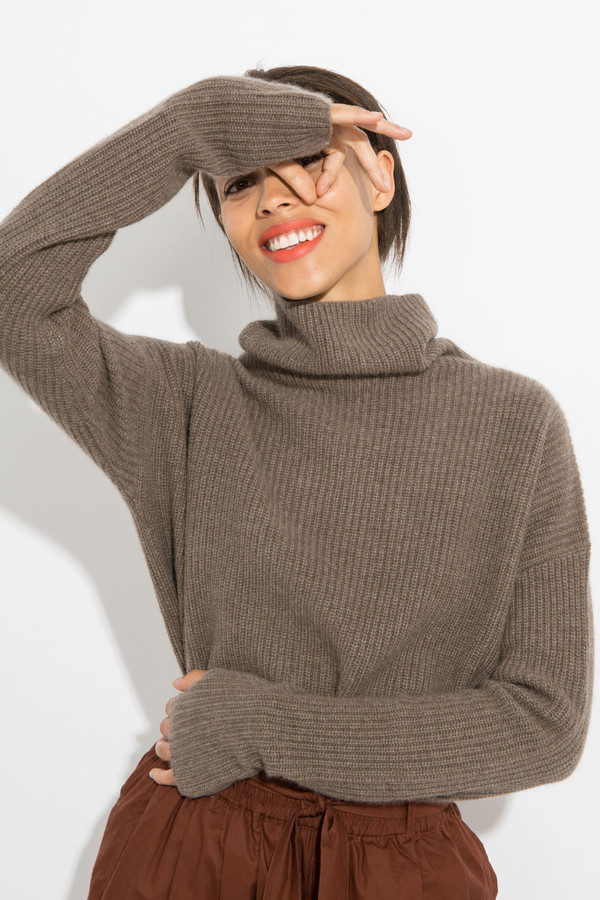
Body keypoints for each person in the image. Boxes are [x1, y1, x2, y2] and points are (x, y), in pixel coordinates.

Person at [0, 63, 592, 900]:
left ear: (381, 175)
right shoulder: (186, 405)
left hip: (402, 868)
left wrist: (263, 728)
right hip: (198, 850)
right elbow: (14, 289)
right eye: (240, 182)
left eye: (309, 160)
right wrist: (193, 123)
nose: (274, 199)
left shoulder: (515, 425)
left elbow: (545, 725)